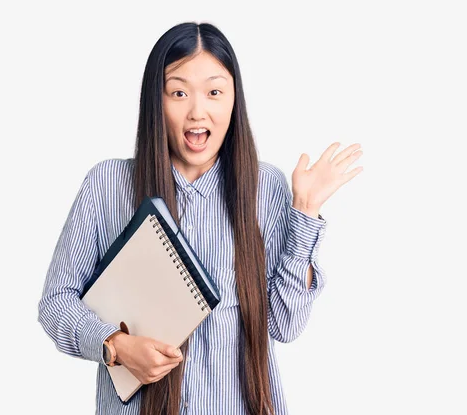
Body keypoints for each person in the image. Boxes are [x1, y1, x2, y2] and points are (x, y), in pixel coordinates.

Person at [37, 21, 363, 415]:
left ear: (233, 100)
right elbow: (56, 302)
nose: (197, 111)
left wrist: (305, 212)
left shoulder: (266, 187)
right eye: (178, 92)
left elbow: (284, 324)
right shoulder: (108, 185)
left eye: (214, 92)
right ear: (156, 102)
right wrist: (115, 346)